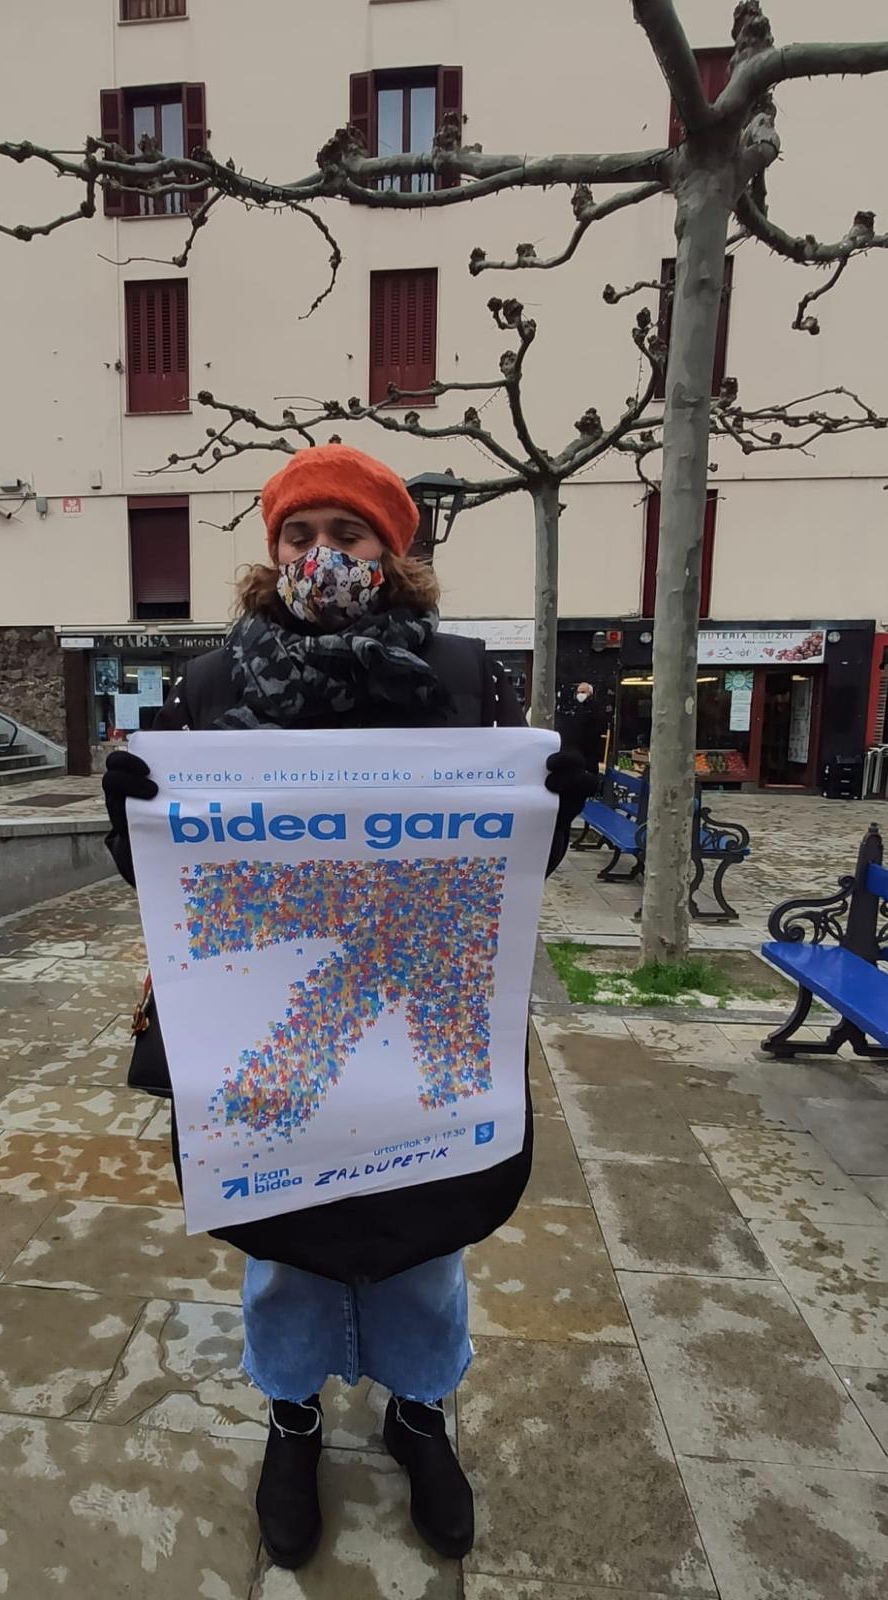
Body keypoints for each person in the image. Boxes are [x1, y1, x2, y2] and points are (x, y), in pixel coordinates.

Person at [103, 443, 594, 1570]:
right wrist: (129, 824)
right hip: (277, 1016)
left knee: (426, 1234)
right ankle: (293, 1420)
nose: (320, 554)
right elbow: (173, 883)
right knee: (284, 1241)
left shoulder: (466, 677)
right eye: (299, 534)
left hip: (420, 1008)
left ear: (392, 548)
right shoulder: (210, 685)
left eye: (347, 533)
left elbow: (505, 864)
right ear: (272, 548)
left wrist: (557, 812)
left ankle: (419, 1413)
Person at [566, 681, 607, 775]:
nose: (580, 694)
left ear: (590, 693)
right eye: (578, 692)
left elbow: (599, 726)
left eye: (583, 692)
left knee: (590, 772)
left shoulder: (595, 707)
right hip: (576, 748)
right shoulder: (575, 707)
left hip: (590, 748)